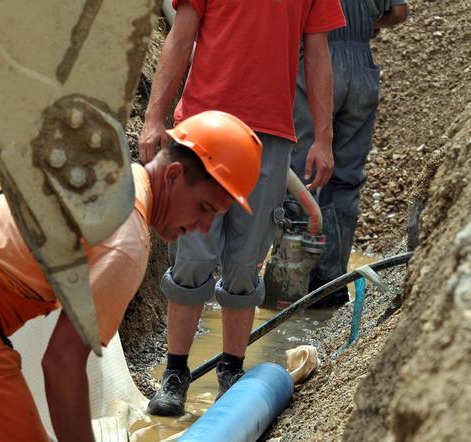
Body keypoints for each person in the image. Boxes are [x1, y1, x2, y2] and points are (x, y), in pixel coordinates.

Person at [0, 110, 262, 442]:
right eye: (205, 207)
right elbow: (62, 365)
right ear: (173, 175)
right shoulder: (126, 237)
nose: (204, 227)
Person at [139, 0, 346, 417]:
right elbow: (182, 35)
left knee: (245, 262)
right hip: (203, 128)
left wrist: (323, 138)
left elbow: (319, 52)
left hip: (269, 134)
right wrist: (153, 116)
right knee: (193, 256)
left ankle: (231, 371)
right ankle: (176, 373)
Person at [289, 0, 409, 304]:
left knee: (299, 173)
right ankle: (330, 286)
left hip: (314, 60)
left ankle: (291, 283)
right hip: (361, 65)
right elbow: (399, 12)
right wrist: (368, 24)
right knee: (346, 179)